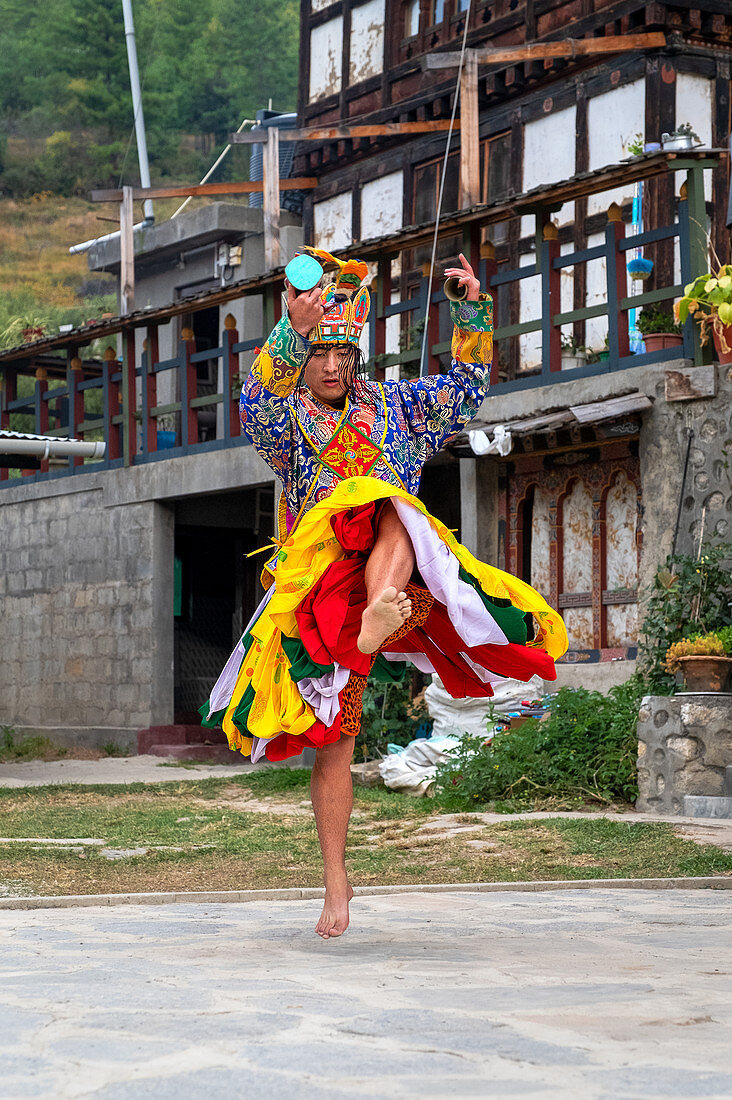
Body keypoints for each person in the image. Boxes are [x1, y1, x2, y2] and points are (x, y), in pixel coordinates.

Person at [201, 250, 567, 939]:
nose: (331, 367)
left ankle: (380, 613)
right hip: (326, 595)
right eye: (317, 353)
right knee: (334, 745)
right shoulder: (287, 428)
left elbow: (466, 389)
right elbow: (252, 404)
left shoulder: (399, 408)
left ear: (357, 354)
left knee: (397, 505)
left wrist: (469, 311)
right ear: (303, 357)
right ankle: (337, 880)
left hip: (398, 596)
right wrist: (287, 331)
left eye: (341, 353)